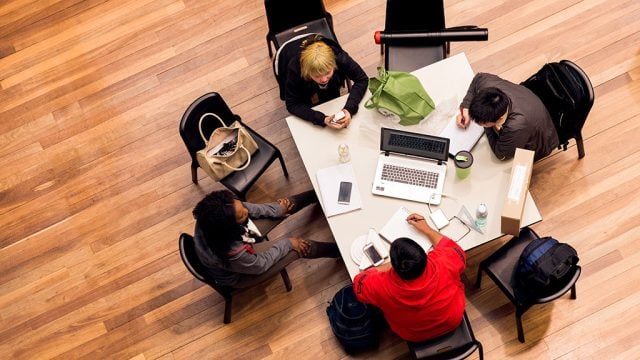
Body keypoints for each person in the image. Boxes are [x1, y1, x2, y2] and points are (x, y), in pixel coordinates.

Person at [353, 213, 466, 342]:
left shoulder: (380, 285)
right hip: (452, 320)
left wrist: (389, 266)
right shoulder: (443, 261)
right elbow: (456, 249)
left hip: (413, 335)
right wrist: (427, 229)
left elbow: (358, 281)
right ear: (425, 256)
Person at [192, 190, 339, 287]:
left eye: (241, 205)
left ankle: (320, 193)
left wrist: (277, 210)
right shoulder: (234, 253)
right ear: (229, 226)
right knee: (299, 247)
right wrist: (288, 243)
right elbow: (260, 265)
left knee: (287, 205)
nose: (246, 211)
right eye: (242, 214)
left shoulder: (210, 214)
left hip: (239, 242)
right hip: (243, 272)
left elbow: (245, 208)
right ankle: (339, 251)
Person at [456, 72, 559, 161]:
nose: (477, 124)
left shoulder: (515, 127)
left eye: (481, 122)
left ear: (496, 120)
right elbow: (478, 78)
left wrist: (488, 128)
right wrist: (466, 108)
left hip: (541, 140)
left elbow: (501, 155)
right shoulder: (487, 84)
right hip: (529, 104)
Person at [283, 34, 368, 130]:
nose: (324, 79)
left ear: (334, 64)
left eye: (328, 72)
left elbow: (362, 79)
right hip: (287, 52)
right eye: (317, 75)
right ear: (307, 72)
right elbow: (292, 104)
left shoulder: (340, 58)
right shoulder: (295, 70)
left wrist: (349, 109)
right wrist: (322, 119)